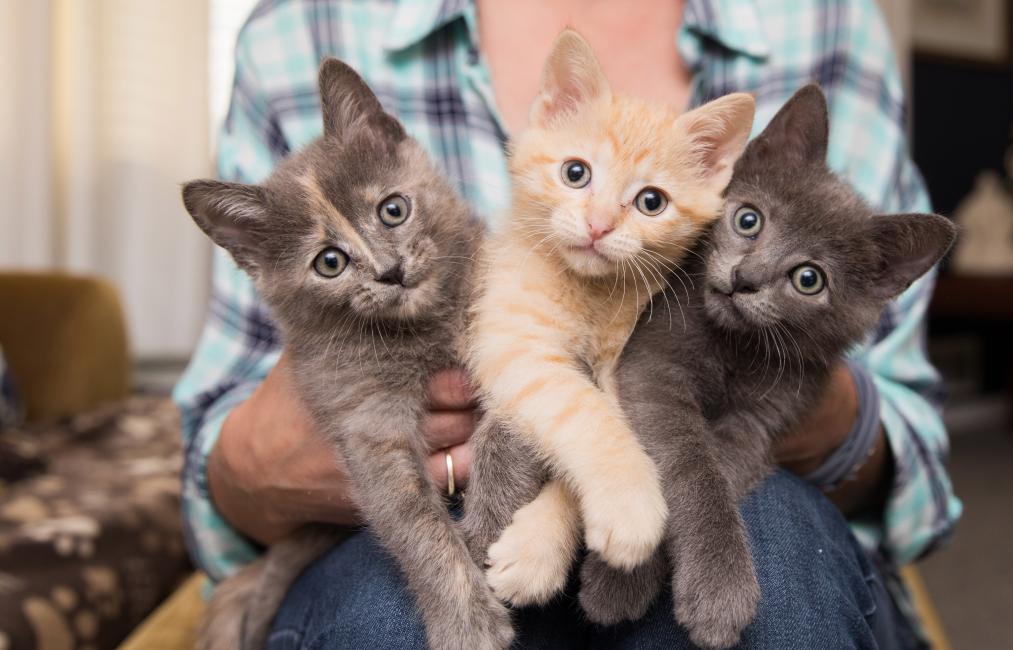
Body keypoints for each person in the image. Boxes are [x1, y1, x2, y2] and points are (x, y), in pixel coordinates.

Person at [175, 0, 961, 647]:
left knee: (773, 575)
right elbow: (216, 471)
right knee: (388, 620)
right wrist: (255, 462)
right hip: (398, 514)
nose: (596, 220)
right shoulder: (301, 28)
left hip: (729, 478)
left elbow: (919, 461)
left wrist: (798, 400)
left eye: (648, 202)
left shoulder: (824, 20)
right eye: (578, 176)